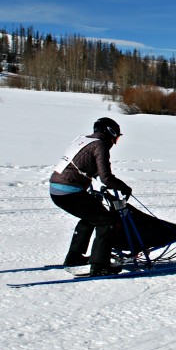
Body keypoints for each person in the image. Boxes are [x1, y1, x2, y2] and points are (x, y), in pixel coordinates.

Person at [50, 117, 132, 276]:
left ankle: (74, 257)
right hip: (68, 190)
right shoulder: (100, 145)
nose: (116, 140)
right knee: (106, 222)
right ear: (110, 132)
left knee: (91, 217)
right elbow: (106, 178)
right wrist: (124, 187)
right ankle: (99, 264)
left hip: (57, 189)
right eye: (117, 136)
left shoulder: (82, 140)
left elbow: (82, 164)